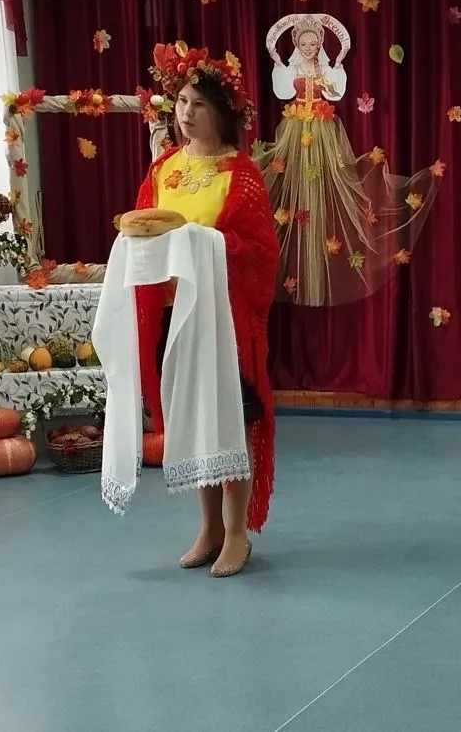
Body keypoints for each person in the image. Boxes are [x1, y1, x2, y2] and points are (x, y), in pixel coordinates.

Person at [134, 41, 279, 578]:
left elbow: (260, 251)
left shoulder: (240, 173)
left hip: (225, 321)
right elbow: (147, 228)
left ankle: (237, 534)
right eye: (181, 102)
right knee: (194, 423)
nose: (186, 113)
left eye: (198, 104)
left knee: (230, 422)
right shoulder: (165, 169)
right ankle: (209, 528)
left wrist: (204, 242)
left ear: (220, 111)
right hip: (177, 316)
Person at [257, 13, 440, 307]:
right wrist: (278, 63)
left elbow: (335, 91)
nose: (308, 48)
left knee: (328, 186)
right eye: (303, 44)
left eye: (313, 44)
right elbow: (282, 90)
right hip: (295, 129)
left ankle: (319, 269)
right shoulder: (293, 68)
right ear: (297, 45)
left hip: (323, 130)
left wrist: (338, 64)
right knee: (291, 186)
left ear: (319, 45)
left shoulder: (325, 68)